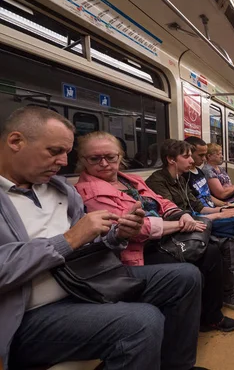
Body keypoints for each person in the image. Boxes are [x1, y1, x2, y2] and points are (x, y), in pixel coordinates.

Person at [1, 107, 205, 370]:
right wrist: (70, 238)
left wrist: (116, 236)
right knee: (143, 321)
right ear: (16, 141)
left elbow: (84, 247)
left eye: (67, 153)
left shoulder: (58, 189)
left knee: (185, 277)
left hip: (84, 280)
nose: (63, 162)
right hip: (28, 314)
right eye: (54, 151)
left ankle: (177, 366)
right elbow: (68, 243)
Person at [74, 133, 234, 330]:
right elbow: (135, 228)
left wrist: (180, 214)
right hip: (135, 252)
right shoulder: (88, 192)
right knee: (198, 261)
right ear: (83, 161)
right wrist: (182, 225)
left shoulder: (131, 180)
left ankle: (211, 314)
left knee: (212, 250)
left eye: (110, 157)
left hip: (163, 236)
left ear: (120, 157)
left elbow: (161, 201)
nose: (104, 163)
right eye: (95, 159)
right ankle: (202, 317)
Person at [143, 139, 234, 310]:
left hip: (195, 219)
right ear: (171, 160)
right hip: (180, 228)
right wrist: (215, 217)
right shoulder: (157, 182)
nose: (192, 161)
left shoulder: (181, 178)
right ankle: (228, 293)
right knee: (226, 241)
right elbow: (172, 214)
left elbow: (197, 205)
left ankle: (230, 285)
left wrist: (221, 212)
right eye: (186, 156)